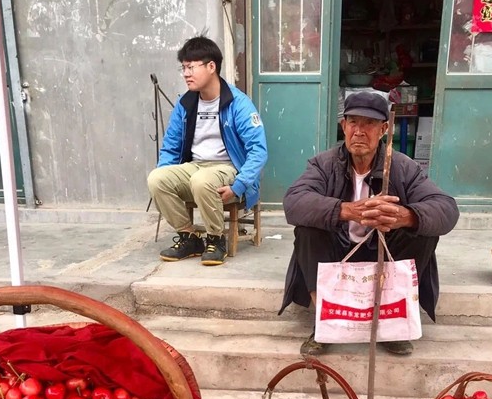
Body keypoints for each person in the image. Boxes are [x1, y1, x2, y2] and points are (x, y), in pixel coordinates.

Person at [279, 91, 460, 356]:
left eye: (370, 124)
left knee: (422, 230)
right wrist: (346, 211)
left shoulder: (403, 167)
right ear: (343, 126)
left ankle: (391, 324)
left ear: (384, 128)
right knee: (307, 229)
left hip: (382, 254)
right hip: (339, 252)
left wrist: (405, 216)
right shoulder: (323, 164)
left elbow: (446, 208)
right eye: (353, 122)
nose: (359, 132)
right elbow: (294, 202)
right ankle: (325, 322)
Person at [148, 36, 268, 266]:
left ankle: (216, 239)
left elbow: (258, 151)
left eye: (191, 67)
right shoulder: (186, 104)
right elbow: (170, 147)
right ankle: (189, 237)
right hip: (195, 167)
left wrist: (239, 186)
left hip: (229, 168)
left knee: (202, 180)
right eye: (183, 67)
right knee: (157, 179)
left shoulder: (238, 103)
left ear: (211, 66)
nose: (186, 73)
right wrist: (167, 180)